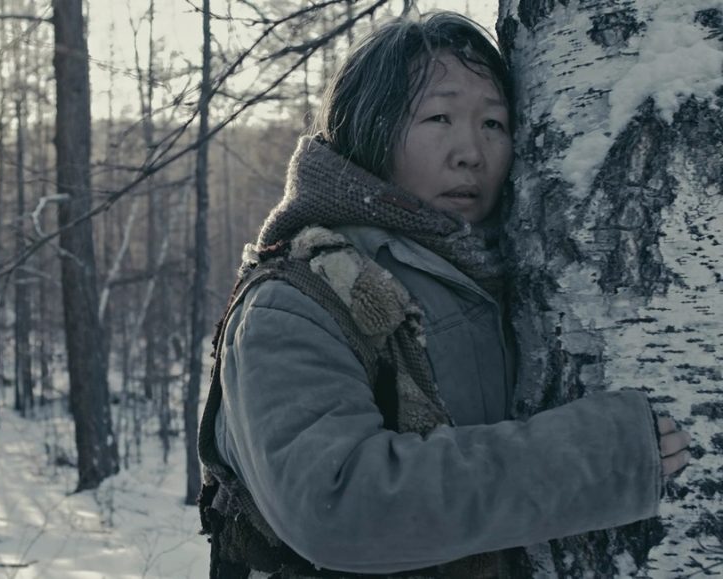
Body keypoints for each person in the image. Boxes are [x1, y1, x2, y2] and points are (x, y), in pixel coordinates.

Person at [196, 10, 692, 579]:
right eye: (438, 117)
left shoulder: (517, 280)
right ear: (370, 130)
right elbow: (340, 507)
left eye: (494, 124)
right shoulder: (298, 300)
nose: (472, 153)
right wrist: (596, 459)